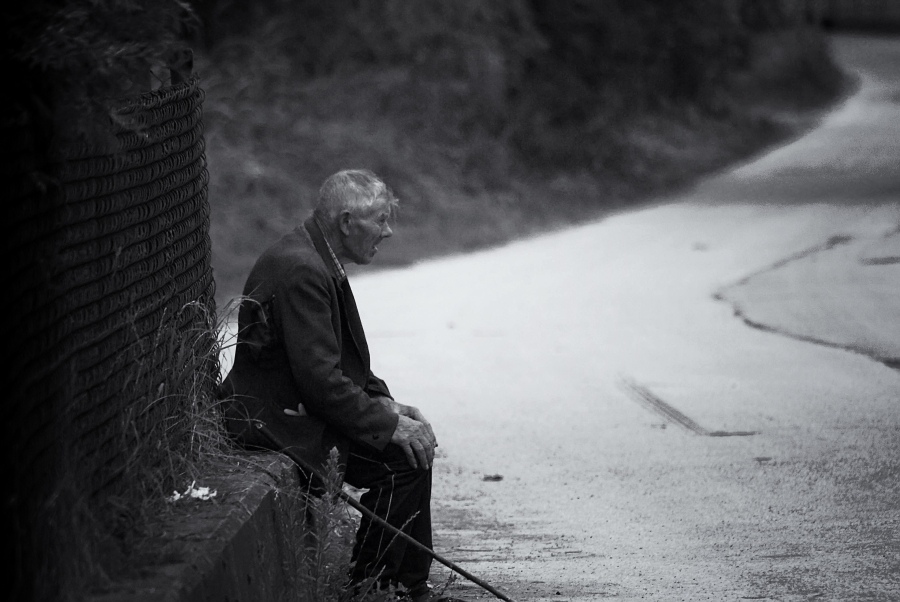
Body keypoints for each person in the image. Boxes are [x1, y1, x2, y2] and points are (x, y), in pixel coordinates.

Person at [221, 169, 455, 602]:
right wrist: (388, 426)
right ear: (347, 222)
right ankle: (374, 589)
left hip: (298, 404)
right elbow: (322, 382)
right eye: (380, 221)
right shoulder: (303, 269)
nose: (388, 232)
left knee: (413, 444)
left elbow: (344, 365)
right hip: (277, 417)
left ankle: (408, 587)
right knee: (401, 459)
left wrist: (390, 405)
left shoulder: (316, 256)